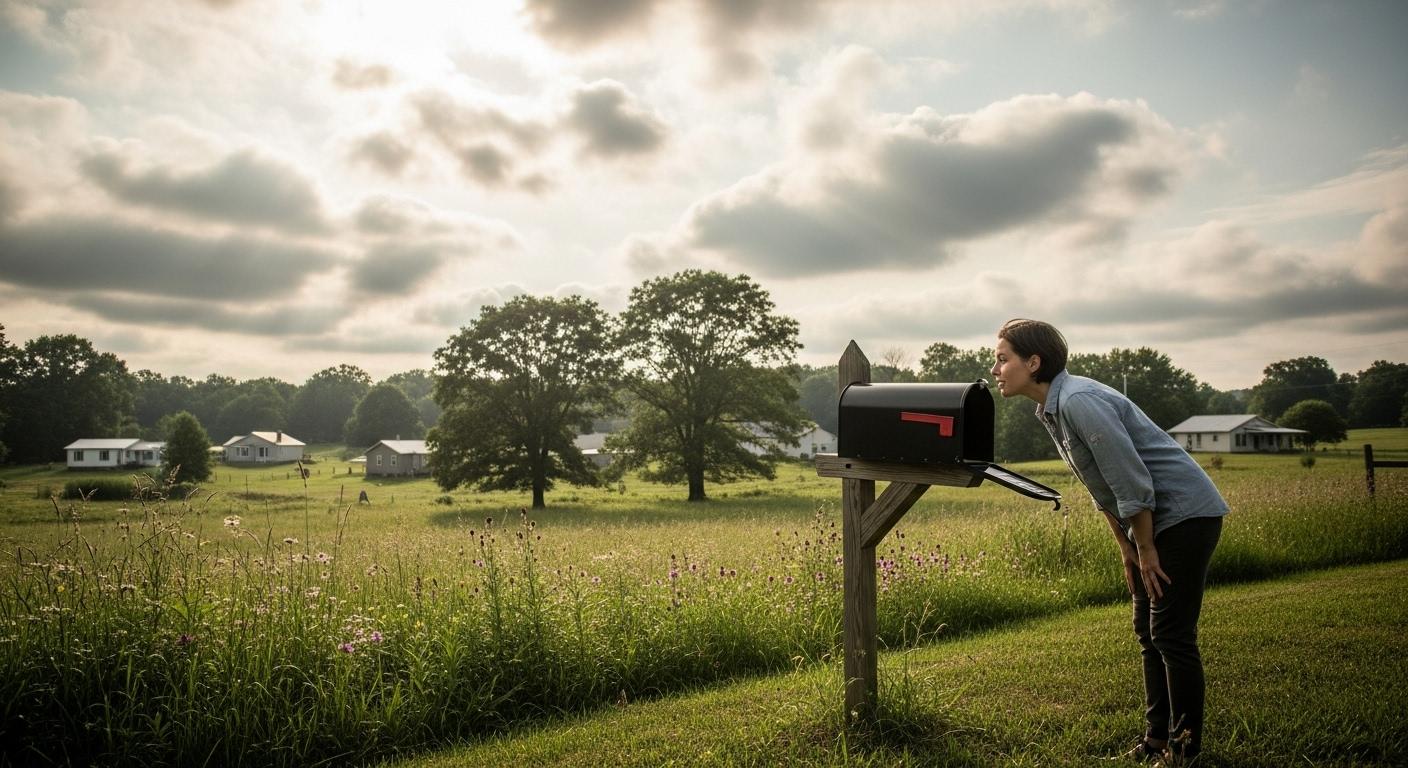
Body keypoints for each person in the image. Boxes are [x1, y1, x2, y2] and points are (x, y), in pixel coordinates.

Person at [991, 319, 1228, 766]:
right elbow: (1099, 483)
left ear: (1033, 362)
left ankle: (1184, 750)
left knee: (1170, 634)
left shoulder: (1079, 401)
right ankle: (1156, 741)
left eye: (1003, 358)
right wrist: (1128, 549)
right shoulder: (1052, 408)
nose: (996, 368)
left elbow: (1130, 481)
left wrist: (1147, 548)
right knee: (1147, 632)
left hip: (1183, 516)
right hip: (1150, 524)